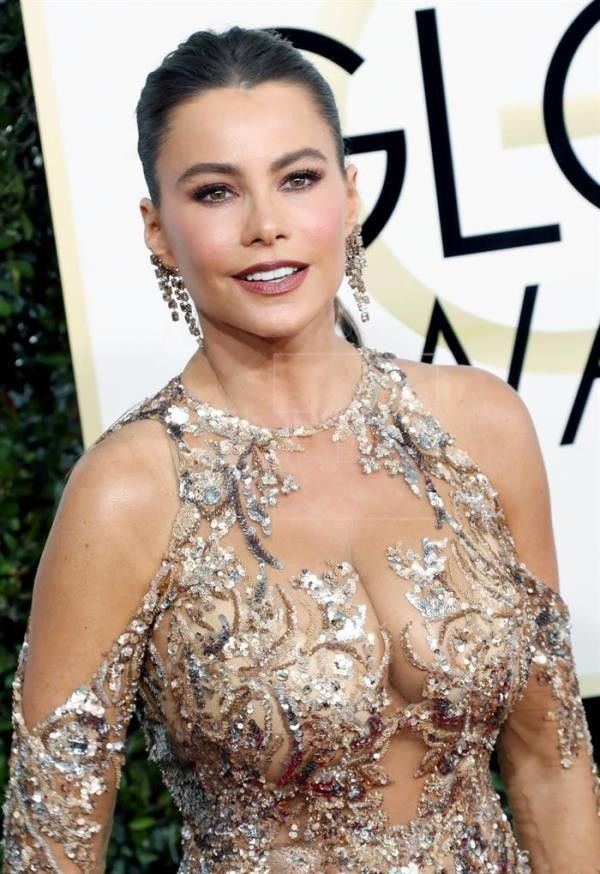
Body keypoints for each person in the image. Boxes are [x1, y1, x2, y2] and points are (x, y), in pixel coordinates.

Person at [2, 25, 599, 874]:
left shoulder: (482, 426)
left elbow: (551, 762)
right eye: (215, 192)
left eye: (299, 178)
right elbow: (49, 848)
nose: (267, 226)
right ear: (157, 229)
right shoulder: (129, 491)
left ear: (349, 195)